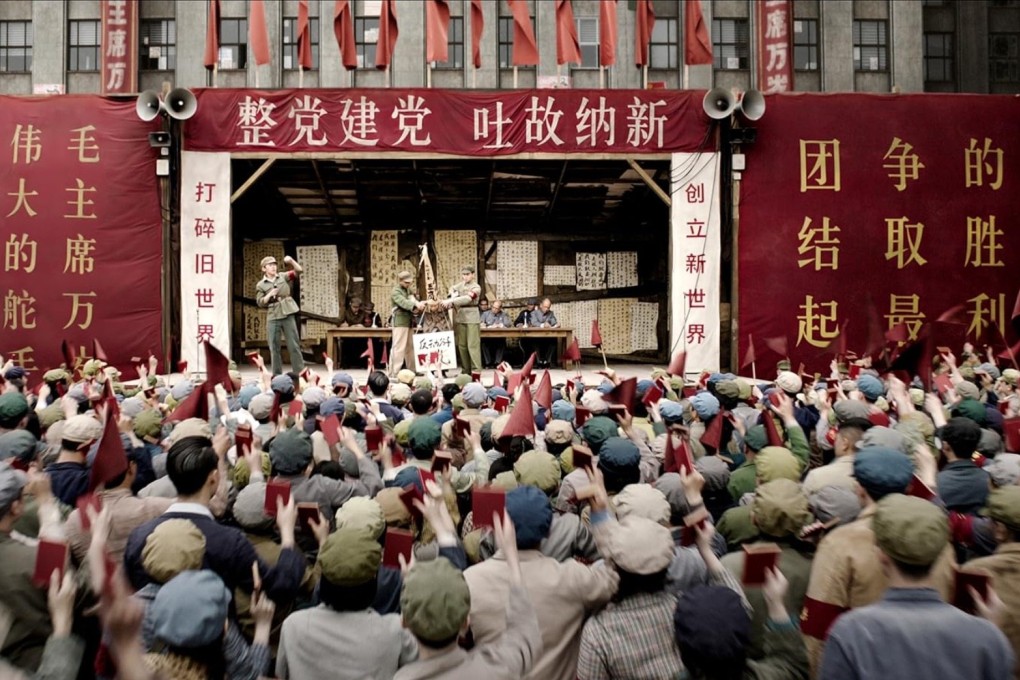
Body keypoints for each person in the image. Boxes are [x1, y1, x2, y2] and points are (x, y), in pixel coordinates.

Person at [820, 494, 1014, 679]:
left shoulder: (851, 631)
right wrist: (992, 632)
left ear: (881, 554)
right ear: (940, 554)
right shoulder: (986, 638)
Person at [394, 512, 543, 680]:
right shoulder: (496, 669)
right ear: (465, 623)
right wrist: (512, 558)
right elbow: (524, 637)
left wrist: (412, 588)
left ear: (404, 623)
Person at [255, 255, 305, 376]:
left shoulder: (283, 276)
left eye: (274, 264)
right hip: (273, 315)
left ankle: (300, 373)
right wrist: (269, 295)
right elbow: (260, 302)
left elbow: (299, 270)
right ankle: (277, 375)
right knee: (274, 347)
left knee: (294, 345)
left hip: (287, 312)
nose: (273, 267)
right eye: (270, 265)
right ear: (264, 269)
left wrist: (291, 261)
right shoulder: (261, 285)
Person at [443, 265, 482, 373]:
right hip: (461, 316)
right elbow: (452, 288)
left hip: (472, 316)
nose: (465, 277)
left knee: (472, 345)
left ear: (473, 275)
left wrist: (452, 301)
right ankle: (465, 369)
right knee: (462, 345)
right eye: (463, 274)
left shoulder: (476, 287)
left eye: (467, 274)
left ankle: (476, 370)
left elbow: (468, 298)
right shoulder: (460, 285)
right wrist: (451, 294)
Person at [391, 272, 425, 377]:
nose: (408, 284)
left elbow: (412, 299)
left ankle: (412, 370)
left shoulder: (408, 290)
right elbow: (404, 302)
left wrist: (418, 303)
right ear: (400, 281)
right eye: (406, 282)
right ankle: (394, 372)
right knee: (399, 347)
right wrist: (416, 304)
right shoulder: (396, 291)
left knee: (410, 347)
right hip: (400, 321)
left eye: (409, 282)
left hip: (409, 321)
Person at [529, 298, 560, 368]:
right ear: (541, 305)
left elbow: (553, 321)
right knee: (534, 341)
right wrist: (543, 325)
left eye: (548, 307)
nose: (547, 309)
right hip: (536, 335)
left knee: (554, 340)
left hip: (547, 335)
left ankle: (547, 361)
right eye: (545, 307)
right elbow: (533, 323)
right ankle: (538, 361)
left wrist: (556, 324)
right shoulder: (534, 313)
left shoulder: (551, 313)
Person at [481, 299, 512, 368]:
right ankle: (488, 363)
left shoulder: (504, 314)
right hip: (487, 336)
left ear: (500, 309)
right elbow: (481, 324)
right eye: (493, 307)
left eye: (496, 308)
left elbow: (508, 324)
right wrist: (489, 326)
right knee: (484, 343)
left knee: (501, 342)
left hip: (499, 336)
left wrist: (501, 325)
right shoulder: (485, 314)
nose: (494, 309)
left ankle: (497, 362)